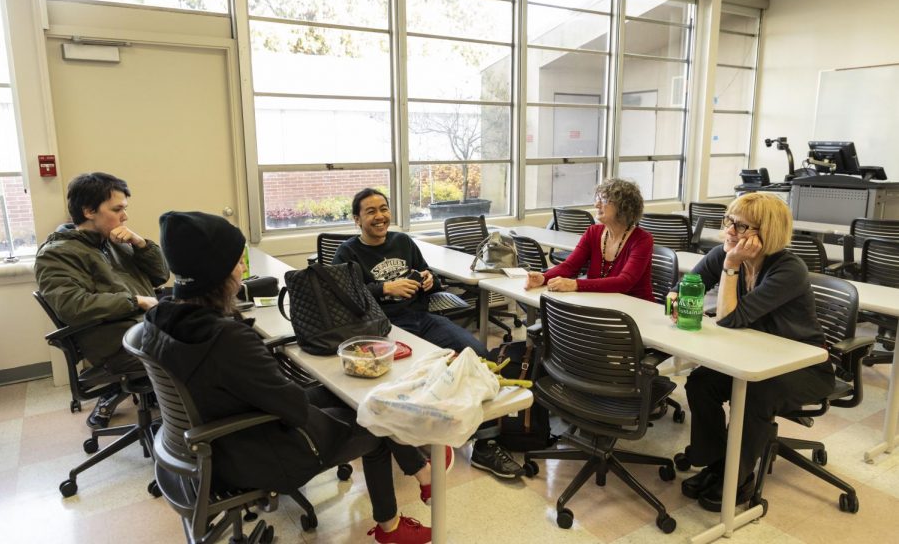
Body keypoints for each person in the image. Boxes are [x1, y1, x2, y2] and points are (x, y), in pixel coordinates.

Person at [140, 211, 435, 544]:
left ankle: (419, 473)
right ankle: (396, 519)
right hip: (250, 450)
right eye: (238, 263)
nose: (242, 270)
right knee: (376, 421)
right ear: (218, 273)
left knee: (350, 397)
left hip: (206, 442)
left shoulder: (158, 319)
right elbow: (293, 408)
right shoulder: (226, 339)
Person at [333, 188, 525, 479]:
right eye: (370, 211)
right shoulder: (347, 252)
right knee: (419, 376)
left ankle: (486, 443)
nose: (380, 216)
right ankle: (418, 435)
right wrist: (385, 288)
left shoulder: (403, 241)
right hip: (384, 327)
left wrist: (428, 280)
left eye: (383, 209)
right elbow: (344, 297)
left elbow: (432, 280)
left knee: (478, 356)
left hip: (422, 318)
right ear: (357, 219)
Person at [671, 192, 834, 512]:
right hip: (751, 357)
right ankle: (717, 463)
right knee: (701, 382)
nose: (730, 231)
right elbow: (684, 287)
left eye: (742, 226)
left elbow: (731, 319)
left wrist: (731, 265)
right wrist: (677, 301)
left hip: (804, 366)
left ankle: (738, 476)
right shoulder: (723, 252)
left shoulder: (788, 269)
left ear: (767, 231)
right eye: (729, 221)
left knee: (757, 392)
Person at [34, 172, 168, 429]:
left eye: (124, 209)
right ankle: (194, 429)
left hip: (144, 328)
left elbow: (160, 275)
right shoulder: (56, 256)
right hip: (117, 343)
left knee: (213, 331)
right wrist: (136, 301)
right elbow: (74, 306)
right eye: (117, 209)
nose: (124, 217)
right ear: (88, 211)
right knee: (205, 349)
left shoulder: (113, 242)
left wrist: (141, 245)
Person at [525, 177, 654, 301]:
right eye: (598, 199)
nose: (596, 204)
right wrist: (543, 278)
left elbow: (624, 282)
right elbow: (570, 266)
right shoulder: (593, 232)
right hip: (599, 303)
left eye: (603, 200)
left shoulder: (642, 240)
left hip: (636, 308)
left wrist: (575, 284)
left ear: (623, 207)